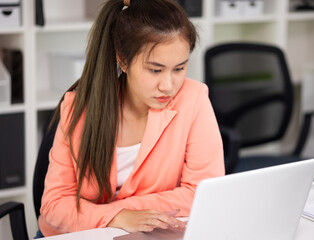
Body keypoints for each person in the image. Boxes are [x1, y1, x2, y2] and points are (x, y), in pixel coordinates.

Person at [36, 0, 224, 237]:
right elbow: (54, 205)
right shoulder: (79, 107)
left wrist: (119, 213)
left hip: (146, 233)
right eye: (155, 70)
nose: (168, 86)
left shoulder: (194, 99)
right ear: (123, 61)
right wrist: (119, 217)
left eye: (179, 68)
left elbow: (203, 193)